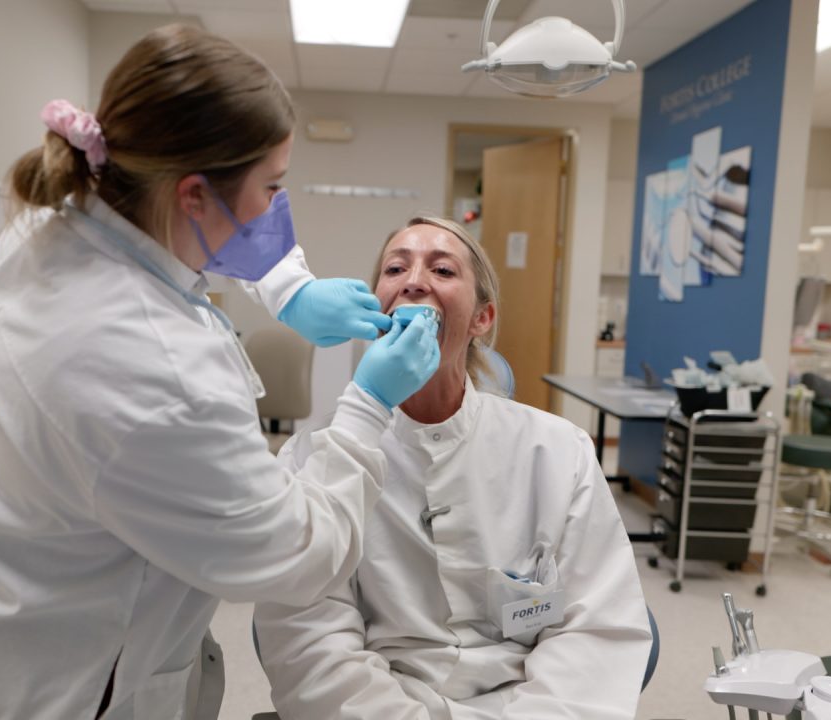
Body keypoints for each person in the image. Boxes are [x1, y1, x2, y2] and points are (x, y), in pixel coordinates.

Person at [0, 25, 440, 720]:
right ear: (192, 194)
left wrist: (289, 288)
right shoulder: (153, 370)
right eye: (272, 185)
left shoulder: (53, 223)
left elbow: (180, 246)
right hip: (47, 681)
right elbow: (296, 554)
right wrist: (369, 403)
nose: (276, 208)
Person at [255, 217, 652, 720]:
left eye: (442, 269)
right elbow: (312, 644)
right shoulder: (316, 457)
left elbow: (595, 627)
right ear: (375, 308)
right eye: (395, 268)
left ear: (482, 318)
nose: (414, 281)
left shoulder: (557, 451)